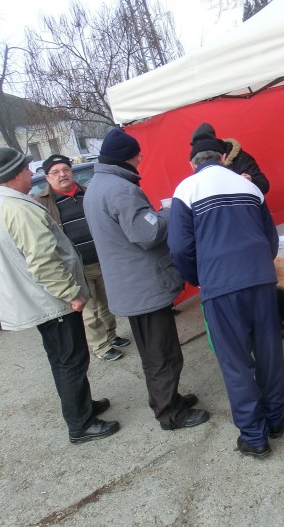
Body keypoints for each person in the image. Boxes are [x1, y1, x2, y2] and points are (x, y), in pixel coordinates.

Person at [0, 147, 119, 444]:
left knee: (64, 359)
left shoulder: (6, 203)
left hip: (45, 299)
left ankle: (81, 408)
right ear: (16, 173)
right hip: (53, 302)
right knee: (70, 360)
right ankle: (81, 424)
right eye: (25, 169)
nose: (28, 175)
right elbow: (43, 260)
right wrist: (71, 293)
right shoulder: (18, 208)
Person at [169, 127, 284, 459]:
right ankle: (275, 420)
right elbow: (271, 239)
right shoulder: (248, 186)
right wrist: (259, 266)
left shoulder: (186, 189)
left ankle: (255, 436)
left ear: (193, 162)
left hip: (221, 287)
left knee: (236, 364)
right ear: (223, 158)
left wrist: (201, 278)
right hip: (261, 280)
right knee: (269, 355)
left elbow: (179, 248)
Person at [83, 128, 209, 431]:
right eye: (137, 154)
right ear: (126, 157)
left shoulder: (95, 186)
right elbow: (147, 233)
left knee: (154, 352)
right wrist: (167, 212)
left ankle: (170, 400)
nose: (140, 159)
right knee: (162, 354)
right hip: (144, 286)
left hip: (129, 285)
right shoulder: (121, 189)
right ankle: (170, 414)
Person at [190, 123, 284, 337]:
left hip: (249, 224)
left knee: (264, 271)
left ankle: (280, 318)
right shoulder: (200, 168)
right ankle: (250, 326)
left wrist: (250, 180)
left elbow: (264, 184)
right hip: (223, 233)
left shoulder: (240, 158)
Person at [34, 154, 129, 361]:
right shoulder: (42, 202)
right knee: (90, 309)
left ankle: (111, 335)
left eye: (65, 170)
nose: (62, 175)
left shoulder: (87, 193)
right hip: (77, 266)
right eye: (56, 172)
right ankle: (101, 346)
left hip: (102, 259)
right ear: (48, 178)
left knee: (107, 303)